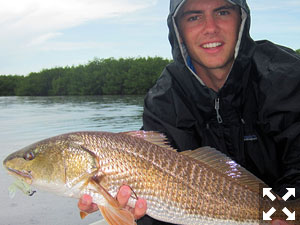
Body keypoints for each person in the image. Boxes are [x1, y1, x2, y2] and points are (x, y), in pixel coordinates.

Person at [79, 0, 300, 224]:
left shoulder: (288, 76)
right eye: (194, 17)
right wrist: (131, 212)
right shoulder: (165, 98)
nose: (210, 27)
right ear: (178, 31)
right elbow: (169, 200)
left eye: (222, 12)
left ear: (241, 20)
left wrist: (285, 211)